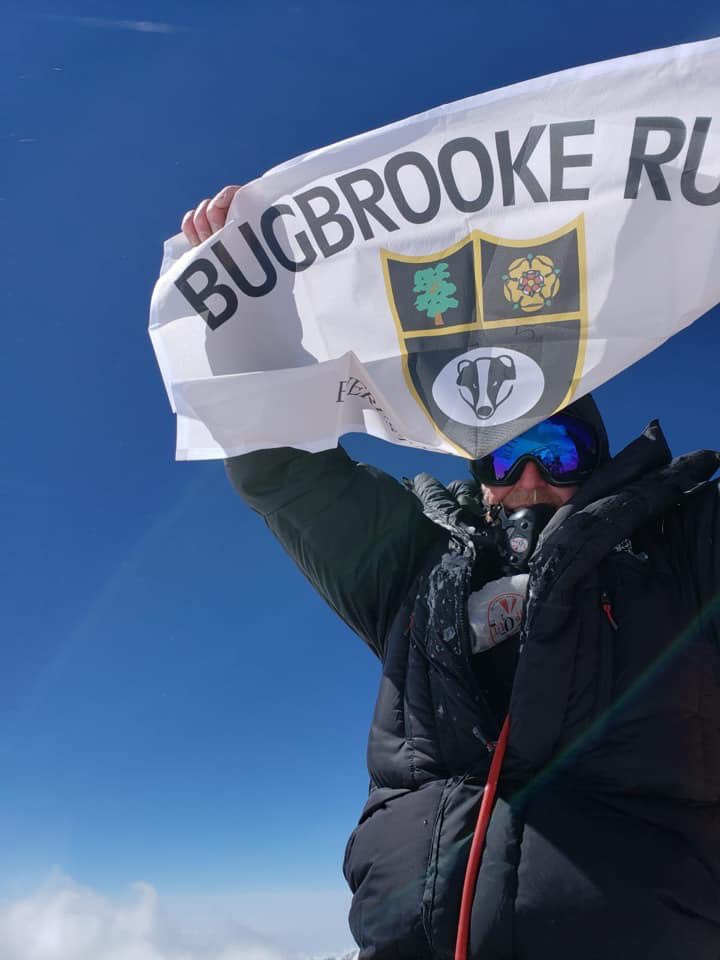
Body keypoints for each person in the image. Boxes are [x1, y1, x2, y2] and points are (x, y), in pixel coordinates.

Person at [181, 188, 720, 960]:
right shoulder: (415, 560)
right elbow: (281, 469)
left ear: (597, 462)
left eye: (560, 452)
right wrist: (247, 311)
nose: (530, 476)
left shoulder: (680, 547)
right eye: (505, 453)